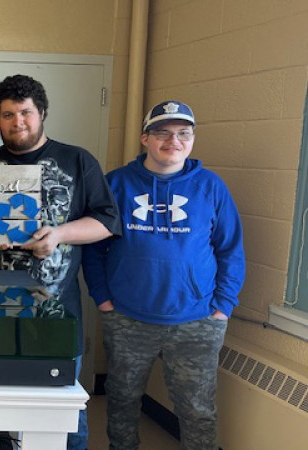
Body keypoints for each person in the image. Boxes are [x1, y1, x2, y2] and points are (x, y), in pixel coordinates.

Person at [82, 100, 245, 450]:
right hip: (127, 317)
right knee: (122, 400)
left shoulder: (211, 187)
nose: (174, 141)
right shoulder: (117, 184)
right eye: (162, 133)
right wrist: (103, 299)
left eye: (183, 133)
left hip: (197, 320)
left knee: (198, 409)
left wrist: (222, 308)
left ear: (192, 138)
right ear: (145, 138)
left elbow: (230, 250)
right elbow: (93, 246)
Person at [0, 74, 122, 450]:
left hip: (57, 312)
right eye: (8, 114)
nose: (18, 122)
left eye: (25, 112)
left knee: (64, 404)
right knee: (0, 401)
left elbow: (107, 222)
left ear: (42, 114)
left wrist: (59, 235)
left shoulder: (77, 160)